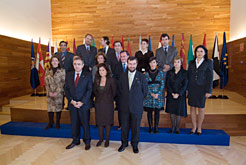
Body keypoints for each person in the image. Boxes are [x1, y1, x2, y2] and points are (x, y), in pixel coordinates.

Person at [118, 56, 148, 154]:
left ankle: (134, 144)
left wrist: (137, 100)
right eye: (130, 64)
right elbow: (119, 90)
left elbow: (145, 92)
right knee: (124, 126)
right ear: (127, 63)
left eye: (134, 64)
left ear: (137, 64)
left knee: (136, 127)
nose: (132, 66)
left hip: (136, 106)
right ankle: (124, 143)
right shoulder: (122, 76)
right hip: (124, 106)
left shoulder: (142, 76)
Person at [65, 56, 92, 150]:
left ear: (82, 65)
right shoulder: (69, 74)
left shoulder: (88, 75)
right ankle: (75, 140)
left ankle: (87, 141)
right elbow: (66, 89)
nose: (77, 66)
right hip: (72, 104)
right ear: (73, 65)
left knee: (85, 124)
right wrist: (71, 100)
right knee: (74, 123)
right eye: (75, 64)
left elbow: (89, 90)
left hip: (83, 105)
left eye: (79, 64)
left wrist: (82, 102)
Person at [187, 45, 213, 136]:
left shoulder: (208, 62)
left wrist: (209, 91)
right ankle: (194, 127)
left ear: (205, 53)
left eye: (201, 51)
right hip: (192, 88)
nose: (199, 53)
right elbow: (188, 76)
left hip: (202, 89)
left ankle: (199, 127)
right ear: (195, 53)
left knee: (201, 108)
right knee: (192, 108)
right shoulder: (191, 63)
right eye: (198, 51)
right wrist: (187, 89)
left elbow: (210, 77)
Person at [93, 63, 117, 147]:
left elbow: (114, 92)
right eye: (100, 70)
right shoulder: (96, 80)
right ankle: (101, 139)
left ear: (106, 71)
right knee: (99, 122)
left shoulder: (111, 79)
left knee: (107, 122)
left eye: (103, 70)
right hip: (99, 103)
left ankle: (107, 140)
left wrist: (109, 99)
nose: (101, 72)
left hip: (108, 104)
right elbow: (94, 91)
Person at [165, 56, 188, 134]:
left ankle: (177, 128)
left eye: (178, 62)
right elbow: (167, 84)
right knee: (172, 111)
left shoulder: (185, 73)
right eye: (175, 62)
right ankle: (172, 127)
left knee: (178, 111)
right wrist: (172, 93)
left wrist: (178, 94)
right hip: (171, 94)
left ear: (181, 63)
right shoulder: (169, 72)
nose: (176, 64)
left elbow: (185, 85)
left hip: (180, 95)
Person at [143, 56, 165, 133]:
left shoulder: (161, 73)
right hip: (149, 96)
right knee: (149, 112)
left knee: (157, 112)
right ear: (149, 64)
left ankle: (156, 127)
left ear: (156, 63)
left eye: (154, 62)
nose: (152, 64)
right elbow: (145, 85)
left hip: (158, 97)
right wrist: (151, 94)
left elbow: (162, 84)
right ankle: (150, 127)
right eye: (151, 62)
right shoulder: (145, 74)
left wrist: (158, 94)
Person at [44, 56, 66, 130]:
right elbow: (46, 83)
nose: (54, 62)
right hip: (49, 93)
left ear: (59, 62)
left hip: (58, 93)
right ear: (51, 62)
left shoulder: (62, 71)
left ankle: (57, 122)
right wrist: (49, 92)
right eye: (53, 60)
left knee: (58, 108)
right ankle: (50, 122)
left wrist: (57, 92)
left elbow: (63, 82)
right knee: (50, 108)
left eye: (56, 60)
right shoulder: (47, 70)